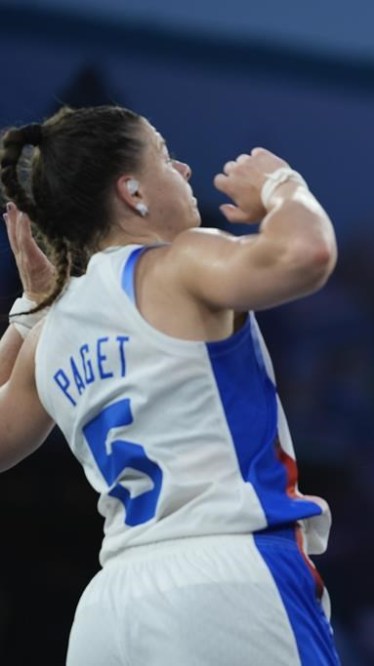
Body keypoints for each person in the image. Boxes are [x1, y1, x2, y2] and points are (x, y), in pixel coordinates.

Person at [0, 105, 341, 665]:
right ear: (132, 191)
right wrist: (284, 185)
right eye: (163, 156)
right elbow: (307, 253)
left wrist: (27, 314)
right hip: (229, 579)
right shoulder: (180, 263)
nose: (182, 170)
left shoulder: (50, 333)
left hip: (110, 608)